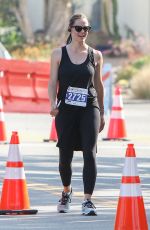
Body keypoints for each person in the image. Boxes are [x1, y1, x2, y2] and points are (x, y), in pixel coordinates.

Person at [48, 13, 105, 216]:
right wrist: (52, 104)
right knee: (65, 156)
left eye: (86, 29)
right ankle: (66, 192)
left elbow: (98, 85)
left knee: (90, 152)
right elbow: (52, 82)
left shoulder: (95, 55)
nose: (83, 32)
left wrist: (103, 112)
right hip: (66, 110)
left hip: (89, 107)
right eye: (79, 28)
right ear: (70, 29)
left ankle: (88, 200)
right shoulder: (58, 54)